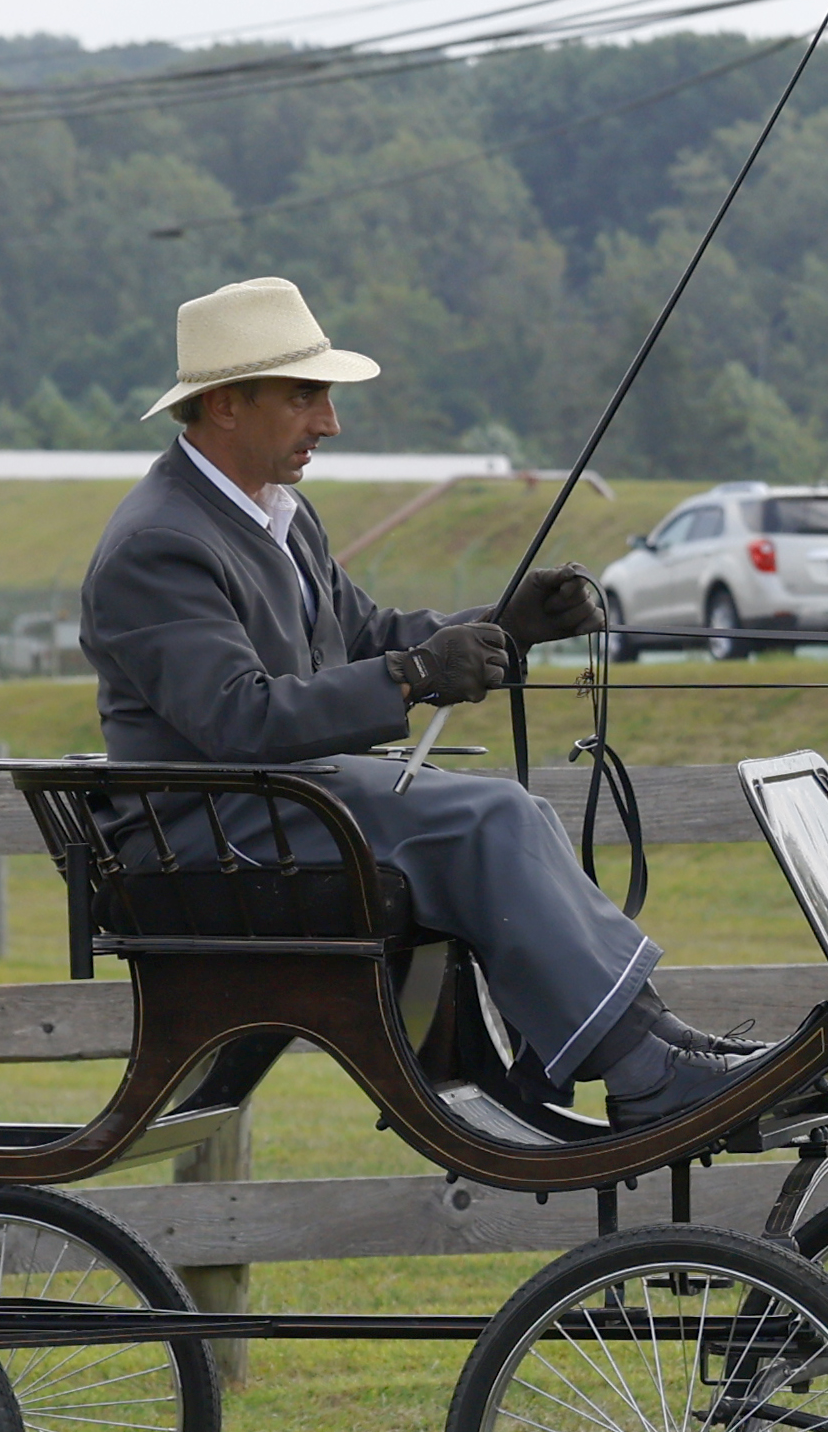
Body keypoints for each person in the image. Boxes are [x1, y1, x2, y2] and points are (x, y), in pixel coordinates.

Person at [79, 276, 759, 1134]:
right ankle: (641, 1064)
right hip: (209, 830)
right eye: (306, 396)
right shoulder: (161, 544)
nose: (330, 421)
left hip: (274, 804)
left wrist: (506, 624)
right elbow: (239, 720)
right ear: (224, 405)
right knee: (485, 816)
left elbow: (365, 633)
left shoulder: (277, 517)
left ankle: (652, 1039)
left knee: (517, 812)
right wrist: (413, 676)